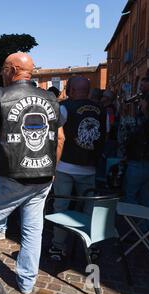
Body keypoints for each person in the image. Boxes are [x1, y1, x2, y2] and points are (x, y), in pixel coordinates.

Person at [0, 53, 65, 294]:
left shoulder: (1, 95)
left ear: (14, 69)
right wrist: (52, 170)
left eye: (4, 68)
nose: (1, 73)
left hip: (12, 175)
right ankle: (27, 283)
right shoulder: (50, 98)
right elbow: (59, 138)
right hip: (44, 175)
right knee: (33, 229)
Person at [49, 77, 106, 261]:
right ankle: (91, 246)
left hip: (65, 166)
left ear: (71, 90)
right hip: (89, 167)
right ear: (88, 91)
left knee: (61, 207)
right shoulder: (101, 109)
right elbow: (105, 134)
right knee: (90, 209)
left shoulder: (65, 108)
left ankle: (58, 247)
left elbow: (57, 136)